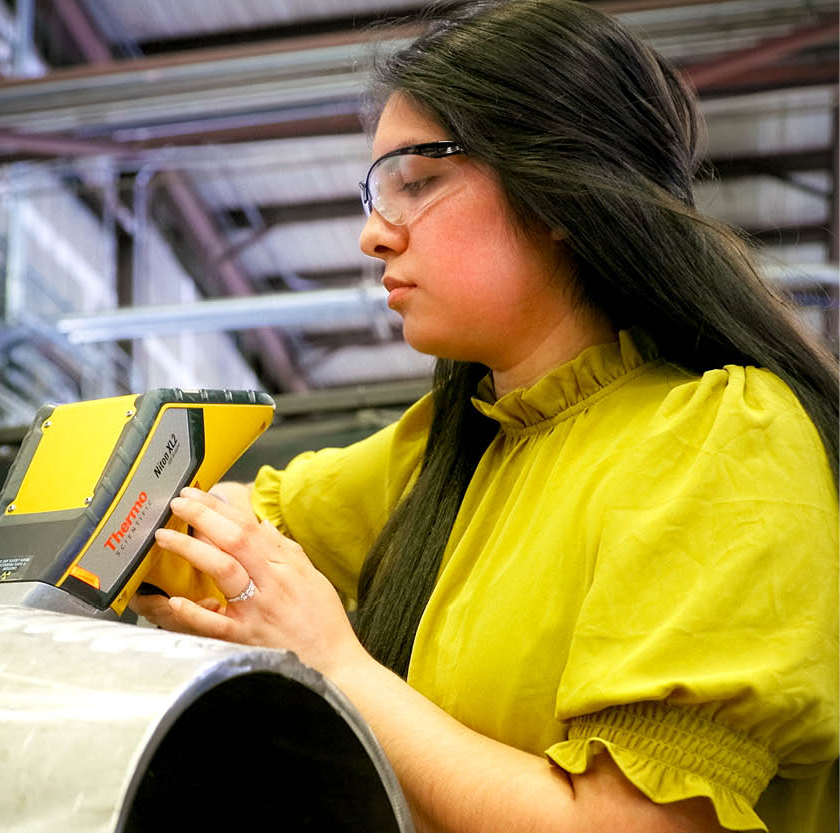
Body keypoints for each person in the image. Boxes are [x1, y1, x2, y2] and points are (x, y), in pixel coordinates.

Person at [132, 1, 839, 830]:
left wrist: (335, 662)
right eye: (378, 190)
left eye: (417, 182)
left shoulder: (726, 442)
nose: (372, 235)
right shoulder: (455, 442)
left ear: (560, 192)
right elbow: (237, 520)